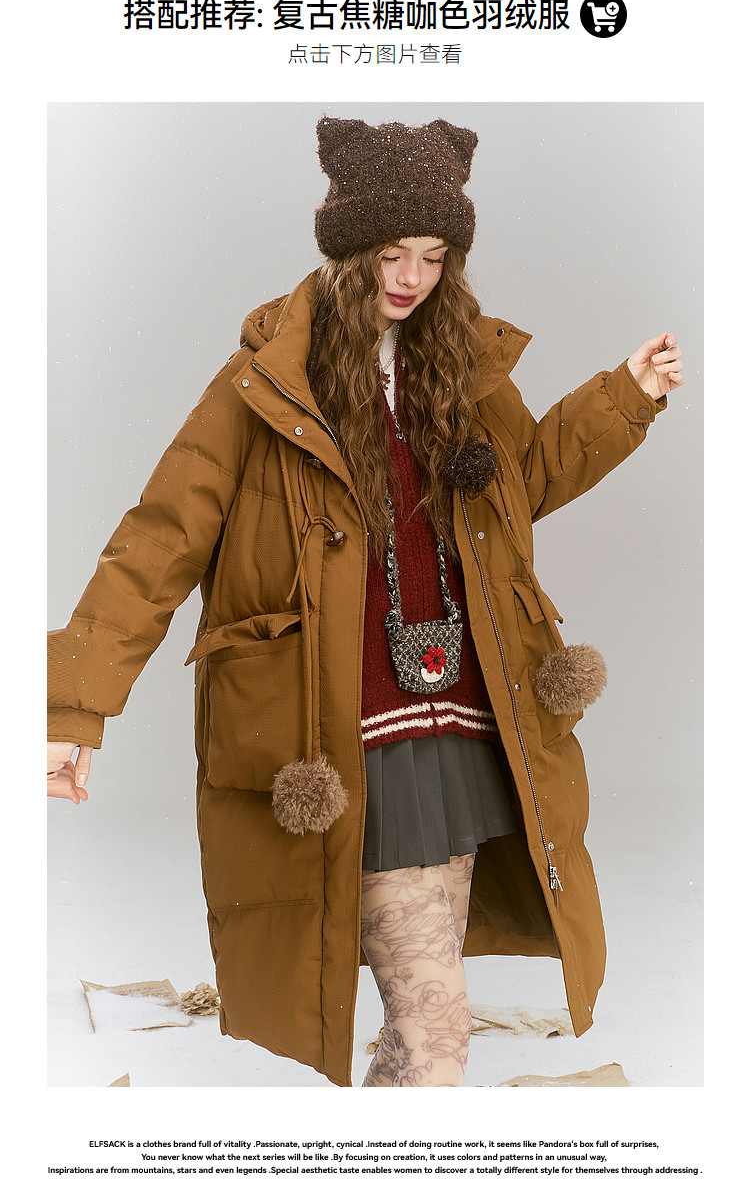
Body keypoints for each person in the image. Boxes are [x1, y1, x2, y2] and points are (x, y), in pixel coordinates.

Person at [47, 116, 684, 1087]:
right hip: (348, 728)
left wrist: (624, 395)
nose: (412, 276)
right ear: (348, 250)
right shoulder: (265, 387)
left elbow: (525, 481)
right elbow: (159, 538)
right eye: (392, 253)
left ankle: (390, 1117)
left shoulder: (459, 371)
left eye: (434, 254)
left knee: (418, 1016)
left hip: (460, 715)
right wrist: (71, 708)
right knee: (437, 1028)